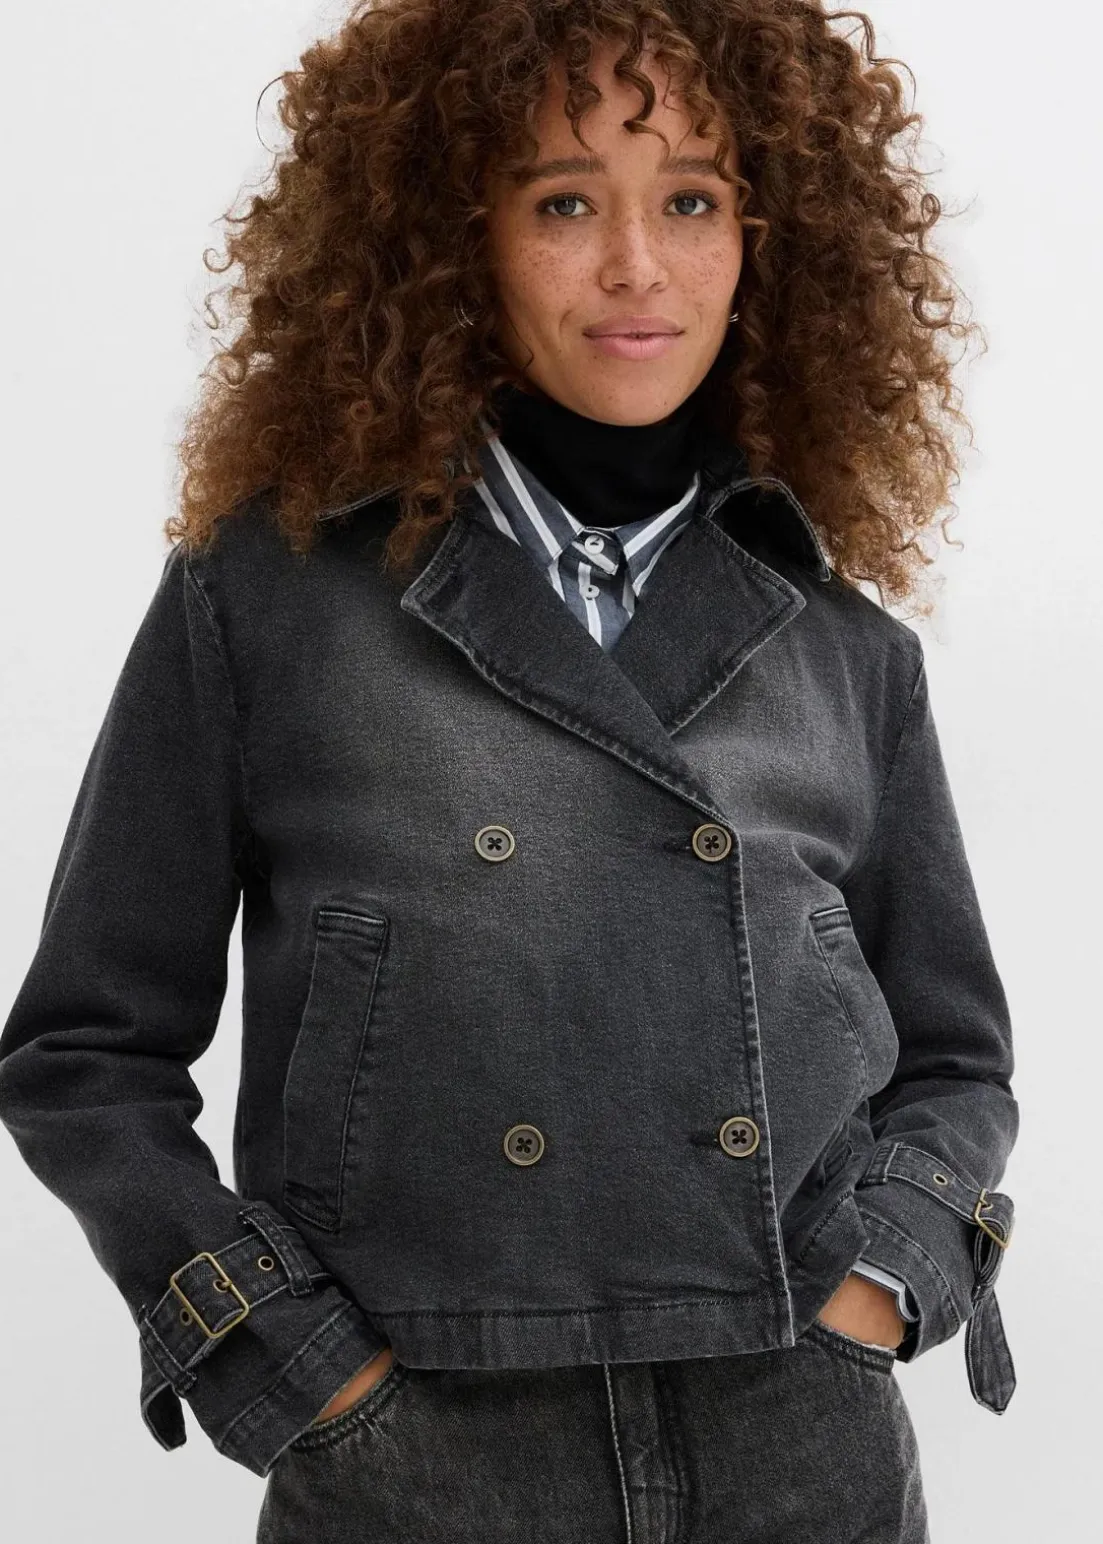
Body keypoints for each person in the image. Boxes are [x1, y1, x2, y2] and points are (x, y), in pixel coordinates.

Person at [0, 3, 1017, 1540]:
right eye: (562, 203)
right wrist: (301, 1374)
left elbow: (953, 1064)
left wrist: (877, 1289)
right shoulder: (266, 601)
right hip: (418, 1465)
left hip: (795, 1454)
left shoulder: (841, 645)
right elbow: (85, 1056)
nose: (637, 266)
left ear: (771, 241)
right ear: (447, 240)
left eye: (691, 199)